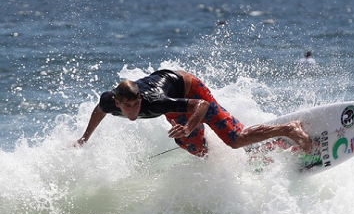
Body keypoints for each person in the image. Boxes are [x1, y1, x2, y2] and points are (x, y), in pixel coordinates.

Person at [75, 69, 312, 157]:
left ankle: (288, 129)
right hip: (177, 103)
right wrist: (85, 138)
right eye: (126, 107)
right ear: (117, 103)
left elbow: (201, 105)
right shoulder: (109, 102)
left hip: (191, 90)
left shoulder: (155, 102)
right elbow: (98, 111)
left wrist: (189, 126)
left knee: (235, 140)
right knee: (197, 149)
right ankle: (256, 151)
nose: (132, 111)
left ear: (140, 98)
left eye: (135, 104)